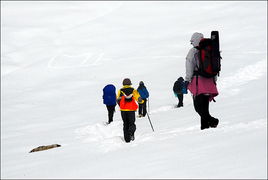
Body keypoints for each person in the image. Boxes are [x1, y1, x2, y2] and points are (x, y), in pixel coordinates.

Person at [185, 32, 219, 130]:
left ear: (195, 40)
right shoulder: (210, 50)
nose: (192, 44)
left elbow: (189, 65)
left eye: (192, 42)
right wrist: (213, 80)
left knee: (198, 107)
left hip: (199, 83)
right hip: (209, 82)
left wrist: (187, 80)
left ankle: (212, 121)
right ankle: (205, 128)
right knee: (204, 107)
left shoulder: (193, 51)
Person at [117, 78, 143, 143]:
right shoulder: (133, 90)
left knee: (125, 124)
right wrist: (141, 101)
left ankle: (127, 139)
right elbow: (138, 98)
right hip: (131, 110)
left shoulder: (120, 90)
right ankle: (131, 133)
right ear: (130, 84)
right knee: (132, 123)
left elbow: (118, 99)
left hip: (123, 110)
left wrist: (121, 106)